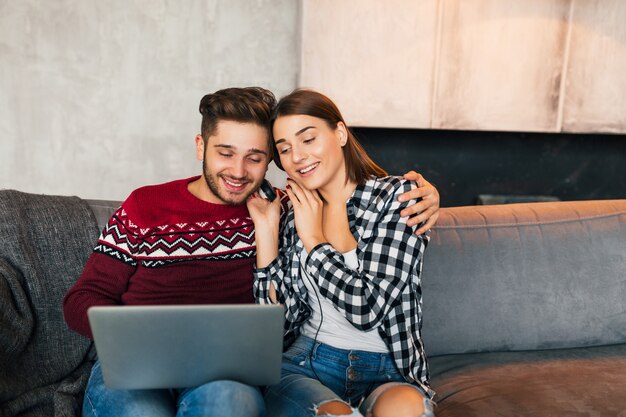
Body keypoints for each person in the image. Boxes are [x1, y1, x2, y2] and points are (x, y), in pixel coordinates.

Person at [63, 87, 440, 417]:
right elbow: (83, 297)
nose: (238, 171)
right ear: (201, 147)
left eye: (255, 157)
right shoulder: (146, 205)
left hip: (221, 370)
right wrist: (133, 337)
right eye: (225, 153)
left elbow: (284, 313)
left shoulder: (278, 209)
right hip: (137, 363)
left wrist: (430, 196)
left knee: (231, 404)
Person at [247, 89, 436, 417]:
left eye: (308, 139)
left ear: (339, 133)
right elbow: (277, 329)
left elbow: (365, 310)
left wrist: (315, 242)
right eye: (285, 149)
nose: (299, 156)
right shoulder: (293, 210)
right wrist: (266, 236)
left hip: (389, 368)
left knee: (407, 412)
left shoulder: (396, 198)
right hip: (306, 364)